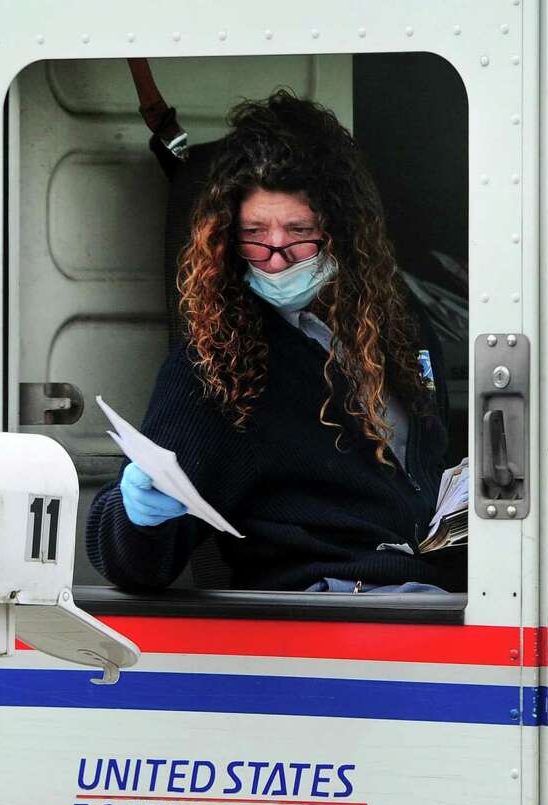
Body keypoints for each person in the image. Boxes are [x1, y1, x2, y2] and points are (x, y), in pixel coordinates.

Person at [85, 88, 461, 593]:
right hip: (336, 607)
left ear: (343, 231)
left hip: (434, 590)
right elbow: (128, 560)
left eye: (299, 230)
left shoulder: (399, 324)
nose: (277, 256)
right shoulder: (218, 361)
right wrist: (136, 512)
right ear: (227, 237)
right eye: (255, 233)